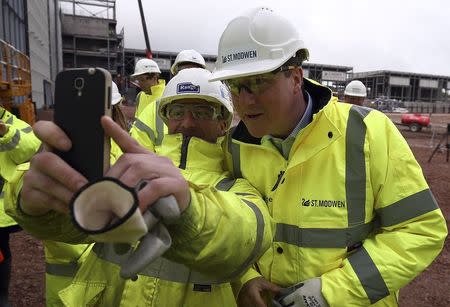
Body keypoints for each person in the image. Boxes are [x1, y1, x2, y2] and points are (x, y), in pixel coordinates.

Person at [210, 7, 447, 307]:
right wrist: (245, 280)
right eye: (235, 86)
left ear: (296, 78)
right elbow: (232, 227)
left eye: (258, 82)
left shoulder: (368, 133)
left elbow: (421, 229)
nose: (245, 100)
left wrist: (332, 293)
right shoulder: (234, 147)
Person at [4, 69, 272, 306]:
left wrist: (190, 210)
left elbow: (246, 234)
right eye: (178, 112)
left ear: (224, 123)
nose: (188, 122)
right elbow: (68, 228)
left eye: (202, 112)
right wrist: (34, 202)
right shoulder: (128, 171)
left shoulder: (238, 187)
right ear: (166, 119)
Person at [0, 105, 40, 306]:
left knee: (0, 253)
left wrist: (6, 133)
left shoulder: (16, 125)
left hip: (0, 213)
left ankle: (1, 295)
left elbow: (31, 150)